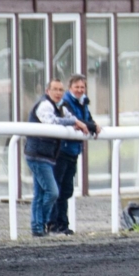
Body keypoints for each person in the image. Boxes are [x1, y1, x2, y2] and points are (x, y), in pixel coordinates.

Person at [25, 79, 89, 237]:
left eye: (60, 90)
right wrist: (73, 122)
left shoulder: (61, 106)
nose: (58, 93)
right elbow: (51, 121)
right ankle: (42, 223)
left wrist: (81, 123)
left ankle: (38, 229)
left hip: (47, 156)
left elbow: (71, 118)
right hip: (37, 155)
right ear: (48, 91)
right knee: (52, 192)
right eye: (55, 89)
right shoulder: (44, 105)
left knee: (41, 193)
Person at [50, 75, 100, 235]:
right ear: (70, 88)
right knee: (56, 190)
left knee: (66, 190)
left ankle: (62, 224)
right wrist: (93, 126)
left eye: (82, 87)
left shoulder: (84, 102)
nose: (79, 90)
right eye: (77, 87)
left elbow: (88, 121)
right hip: (61, 151)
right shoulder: (65, 102)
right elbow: (76, 121)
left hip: (73, 151)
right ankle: (53, 224)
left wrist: (91, 125)